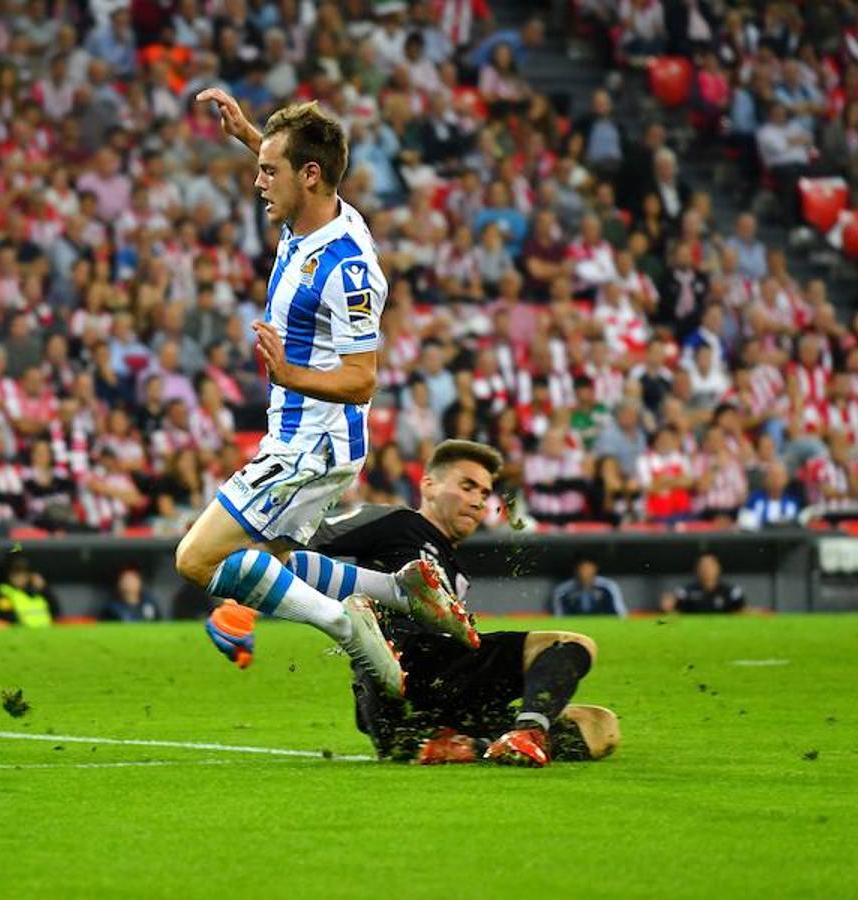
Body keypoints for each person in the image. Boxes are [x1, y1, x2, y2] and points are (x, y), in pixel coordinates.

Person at [179, 89, 476, 700]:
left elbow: (362, 377)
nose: (258, 180)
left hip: (311, 443)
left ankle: (348, 626)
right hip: (304, 437)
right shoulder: (316, 212)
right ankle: (403, 591)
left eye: (268, 170)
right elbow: (294, 169)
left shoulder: (346, 266)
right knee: (274, 567)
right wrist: (247, 134)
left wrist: (289, 375)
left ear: (308, 176)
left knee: (198, 558)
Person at [211, 440, 619, 767]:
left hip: (427, 700)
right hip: (400, 670)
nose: (479, 500)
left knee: (600, 726)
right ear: (428, 485)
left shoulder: (456, 573)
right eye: (466, 485)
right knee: (574, 644)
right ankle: (520, 735)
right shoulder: (396, 522)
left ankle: (459, 744)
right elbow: (289, 547)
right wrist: (240, 606)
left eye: (484, 492)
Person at [661, 553, 747, 614]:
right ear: (697, 569)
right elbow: (674, 614)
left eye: (710, 566)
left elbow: (743, 612)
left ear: (718, 568)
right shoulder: (685, 592)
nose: (706, 570)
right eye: (703, 566)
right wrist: (668, 607)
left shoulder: (731, 592)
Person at [551, 554, 628, 617]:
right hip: (574, 627)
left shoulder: (608, 586)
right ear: (575, 570)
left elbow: (621, 614)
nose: (584, 572)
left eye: (588, 568)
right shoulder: (563, 590)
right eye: (581, 568)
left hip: (603, 625)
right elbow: (559, 616)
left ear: (595, 568)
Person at [0, 556, 57, 627]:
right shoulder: (5, 592)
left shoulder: (38, 590)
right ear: (9, 575)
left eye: (24, 574)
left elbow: (56, 612)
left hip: (45, 632)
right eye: (16, 574)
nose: (20, 577)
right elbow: (5, 616)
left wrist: (44, 589)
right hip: (20, 633)